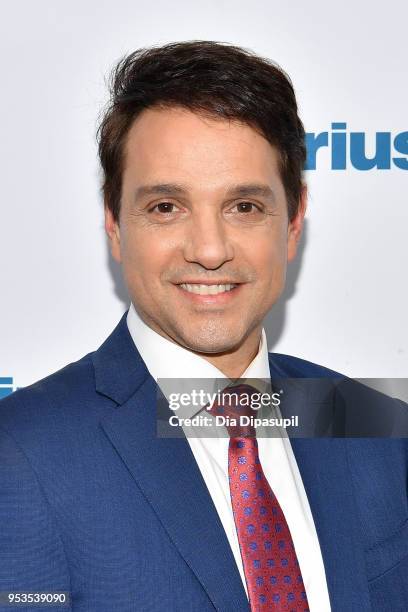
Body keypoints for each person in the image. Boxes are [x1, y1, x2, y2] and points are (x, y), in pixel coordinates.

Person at [0, 40, 407, 612]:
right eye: (167, 206)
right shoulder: (19, 453)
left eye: (244, 206)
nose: (210, 250)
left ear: (293, 222)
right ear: (115, 225)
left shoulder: (376, 424)